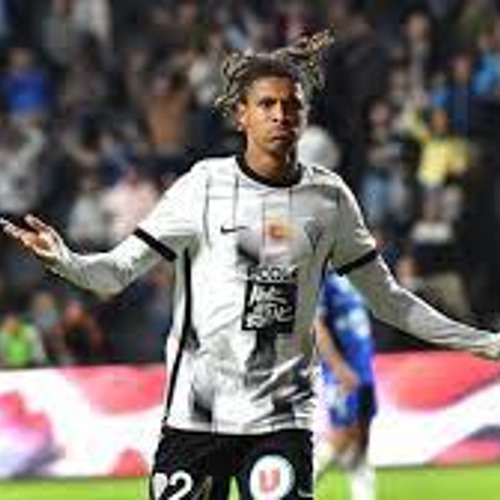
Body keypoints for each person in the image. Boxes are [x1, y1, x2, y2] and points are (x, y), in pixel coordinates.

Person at [2, 29, 500, 499]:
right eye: (267, 104)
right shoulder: (203, 187)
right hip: (196, 420)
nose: (281, 115)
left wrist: (484, 342)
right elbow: (115, 274)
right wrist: (64, 260)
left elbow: (389, 300)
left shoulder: (329, 199)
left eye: (292, 105)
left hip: (281, 420)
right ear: (240, 114)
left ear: (304, 115)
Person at [314, 269, 376, 500]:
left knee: (362, 439)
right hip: (341, 369)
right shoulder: (322, 276)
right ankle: (293, 487)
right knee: (342, 435)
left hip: (364, 368)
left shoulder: (356, 275)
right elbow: (316, 326)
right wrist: (338, 366)